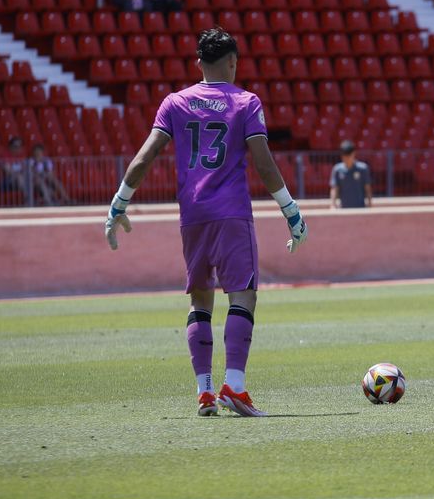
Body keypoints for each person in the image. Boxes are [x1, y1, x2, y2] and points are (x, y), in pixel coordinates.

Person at [104, 27, 309, 418]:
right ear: (233, 61)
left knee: (200, 300)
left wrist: (118, 205)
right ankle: (236, 386)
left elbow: (144, 158)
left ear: (198, 63)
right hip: (231, 213)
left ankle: (205, 392)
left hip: (192, 215)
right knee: (242, 296)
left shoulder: (174, 103)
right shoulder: (246, 102)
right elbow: (263, 163)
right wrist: (291, 211)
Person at [330, 140, 373, 208]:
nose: (346, 159)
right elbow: (335, 188)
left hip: (361, 208)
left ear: (353, 154)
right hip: (344, 209)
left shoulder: (363, 169)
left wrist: (370, 203)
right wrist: (333, 204)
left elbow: (367, 187)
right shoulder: (337, 170)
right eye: (344, 157)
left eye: (348, 156)